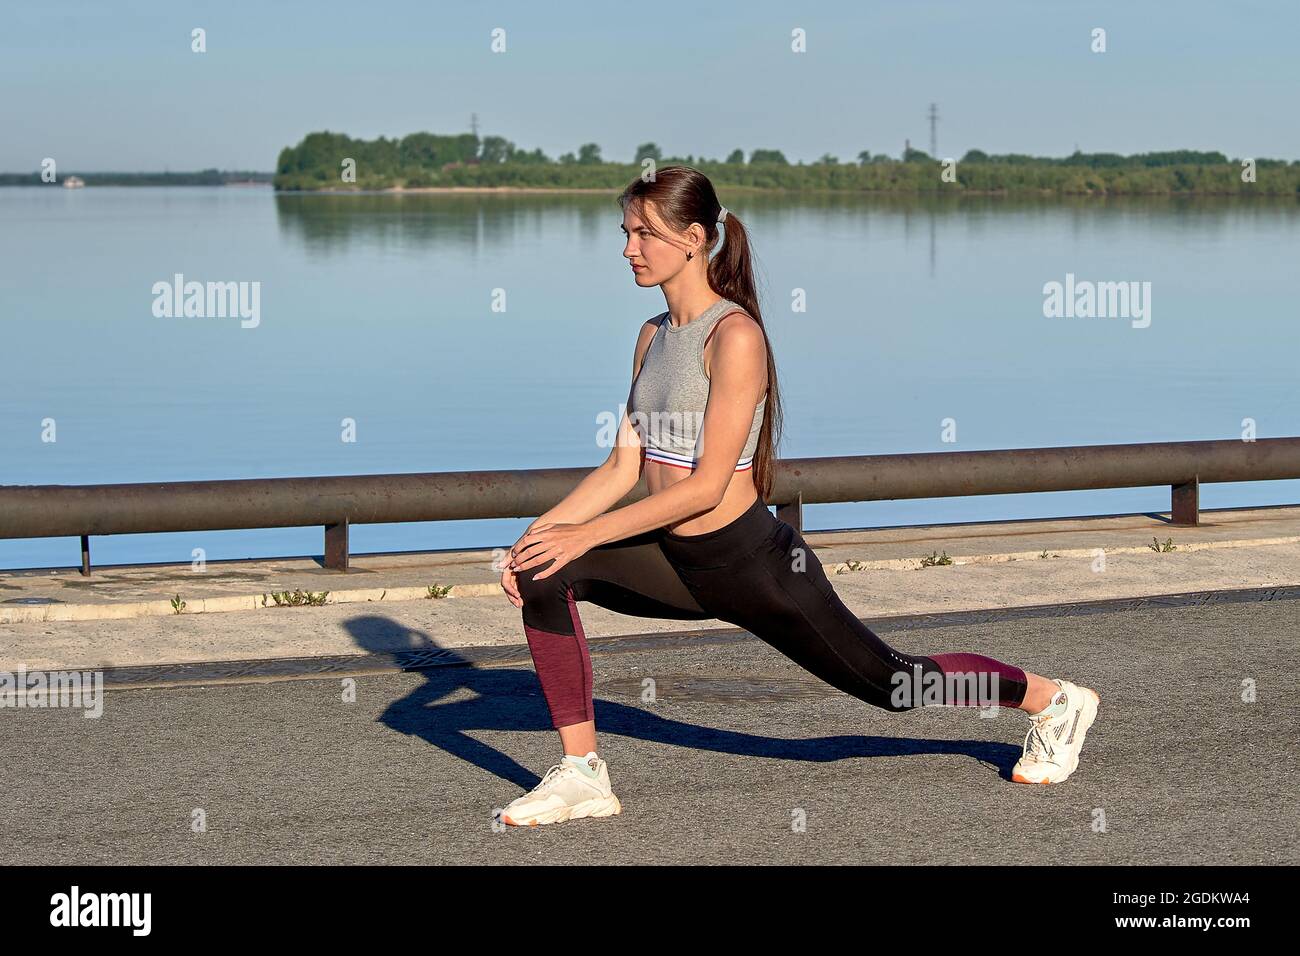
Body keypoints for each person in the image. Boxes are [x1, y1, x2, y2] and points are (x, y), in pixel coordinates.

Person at [495, 165, 1100, 827]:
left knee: (895, 684)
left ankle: (1049, 700)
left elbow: (704, 486)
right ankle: (583, 775)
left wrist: (588, 533)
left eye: (644, 233)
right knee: (542, 571)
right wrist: (539, 535)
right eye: (626, 232)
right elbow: (621, 466)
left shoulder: (736, 338)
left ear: (695, 239)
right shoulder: (651, 336)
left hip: (753, 567)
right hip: (674, 562)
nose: (628, 248)